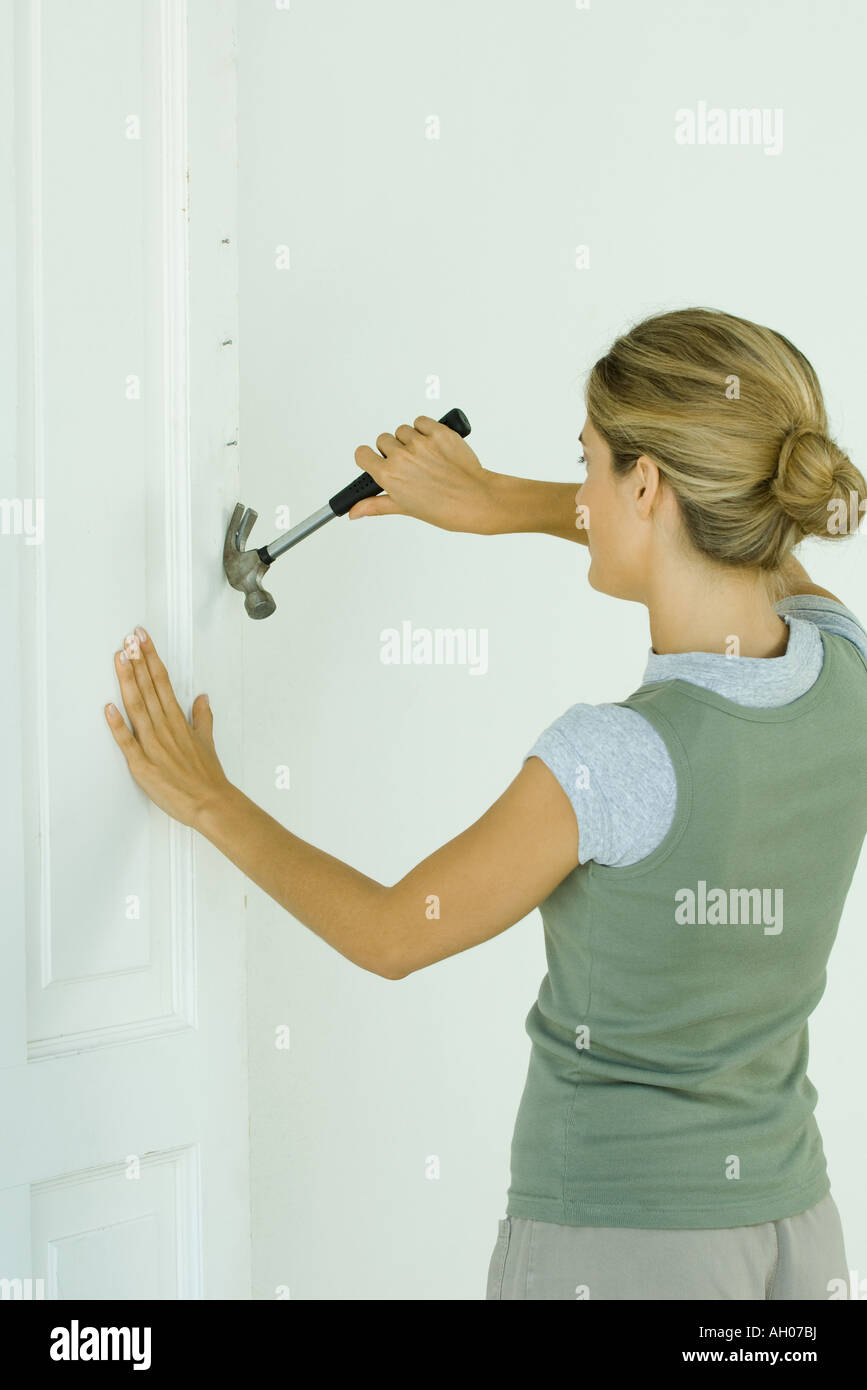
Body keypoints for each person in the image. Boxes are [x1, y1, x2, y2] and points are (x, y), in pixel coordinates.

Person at [105, 306, 867, 1301]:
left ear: (645, 484)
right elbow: (737, 537)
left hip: (623, 1243)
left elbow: (392, 932)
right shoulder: (842, 659)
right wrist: (486, 498)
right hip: (795, 1235)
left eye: (586, 461)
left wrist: (209, 799)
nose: (578, 489)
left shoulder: (615, 758)